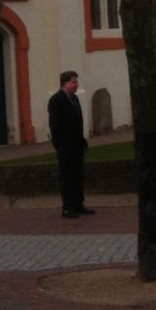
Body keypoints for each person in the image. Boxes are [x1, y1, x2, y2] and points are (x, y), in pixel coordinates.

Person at [47, 71, 94, 219]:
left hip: (77, 145)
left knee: (78, 175)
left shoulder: (74, 99)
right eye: (74, 82)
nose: (76, 84)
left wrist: (81, 140)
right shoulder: (56, 100)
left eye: (76, 82)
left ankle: (79, 204)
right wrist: (60, 144)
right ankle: (67, 207)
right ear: (65, 83)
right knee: (67, 177)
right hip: (66, 146)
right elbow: (55, 125)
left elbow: (78, 122)